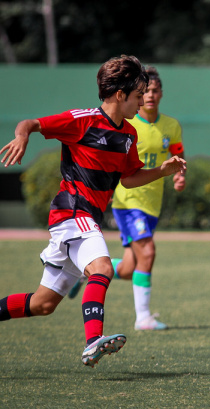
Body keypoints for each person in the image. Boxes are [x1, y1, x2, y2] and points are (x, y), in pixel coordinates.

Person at [0, 55, 187, 367]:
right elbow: (31, 124)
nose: (142, 101)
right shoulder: (82, 120)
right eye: (138, 95)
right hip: (73, 212)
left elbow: (128, 179)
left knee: (43, 304)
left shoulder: (129, 134)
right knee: (102, 269)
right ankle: (92, 342)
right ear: (119, 95)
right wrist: (22, 136)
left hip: (85, 219)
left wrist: (163, 171)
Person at [68, 66, 185, 331]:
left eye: (155, 91)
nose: (151, 96)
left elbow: (178, 153)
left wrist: (179, 176)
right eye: (147, 91)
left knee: (131, 267)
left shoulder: (171, 125)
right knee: (148, 252)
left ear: (162, 93)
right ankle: (143, 318)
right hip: (128, 200)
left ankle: (84, 273)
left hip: (152, 203)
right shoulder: (127, 124)